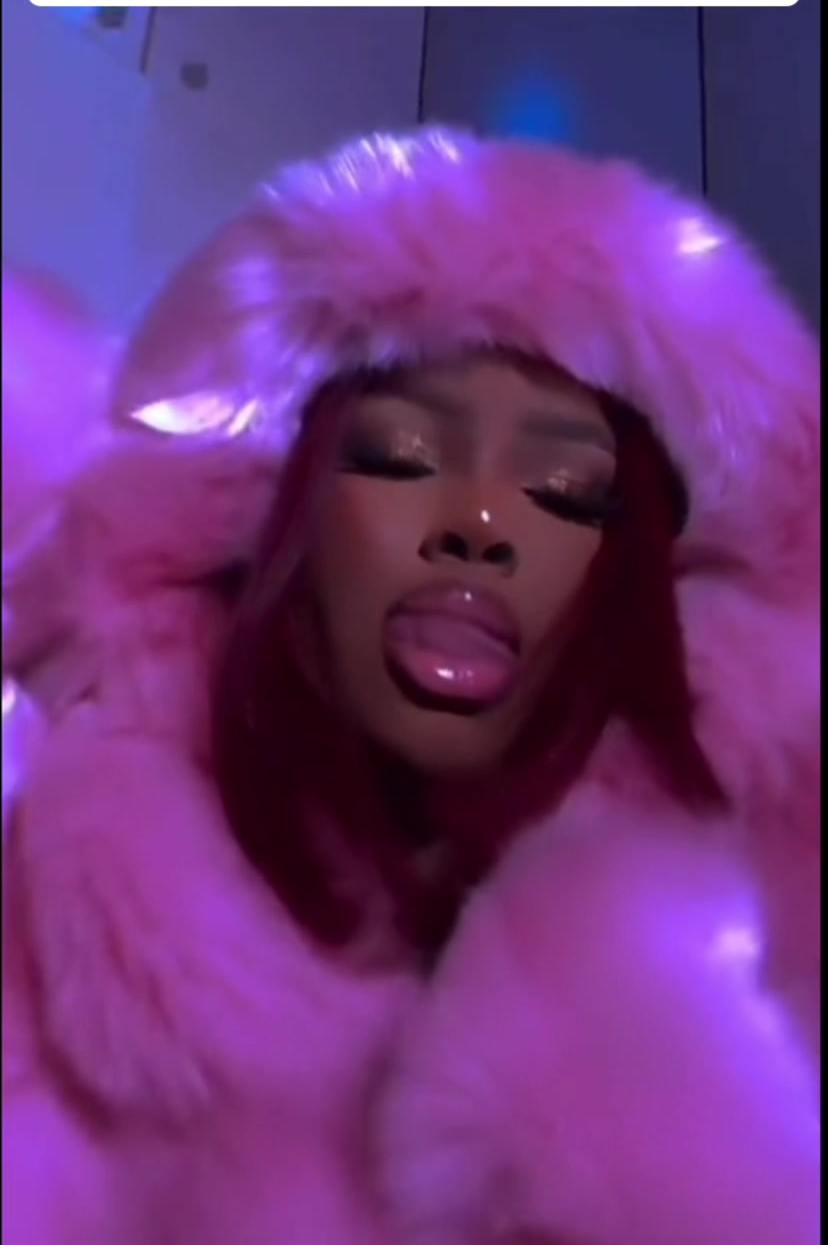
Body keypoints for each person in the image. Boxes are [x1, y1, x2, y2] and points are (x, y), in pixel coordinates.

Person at [2, 128, 820, 1244]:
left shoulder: (750, 979)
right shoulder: (48, 902)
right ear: (277, 519)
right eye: (400, 458)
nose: (478, 524)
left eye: (565, 490)